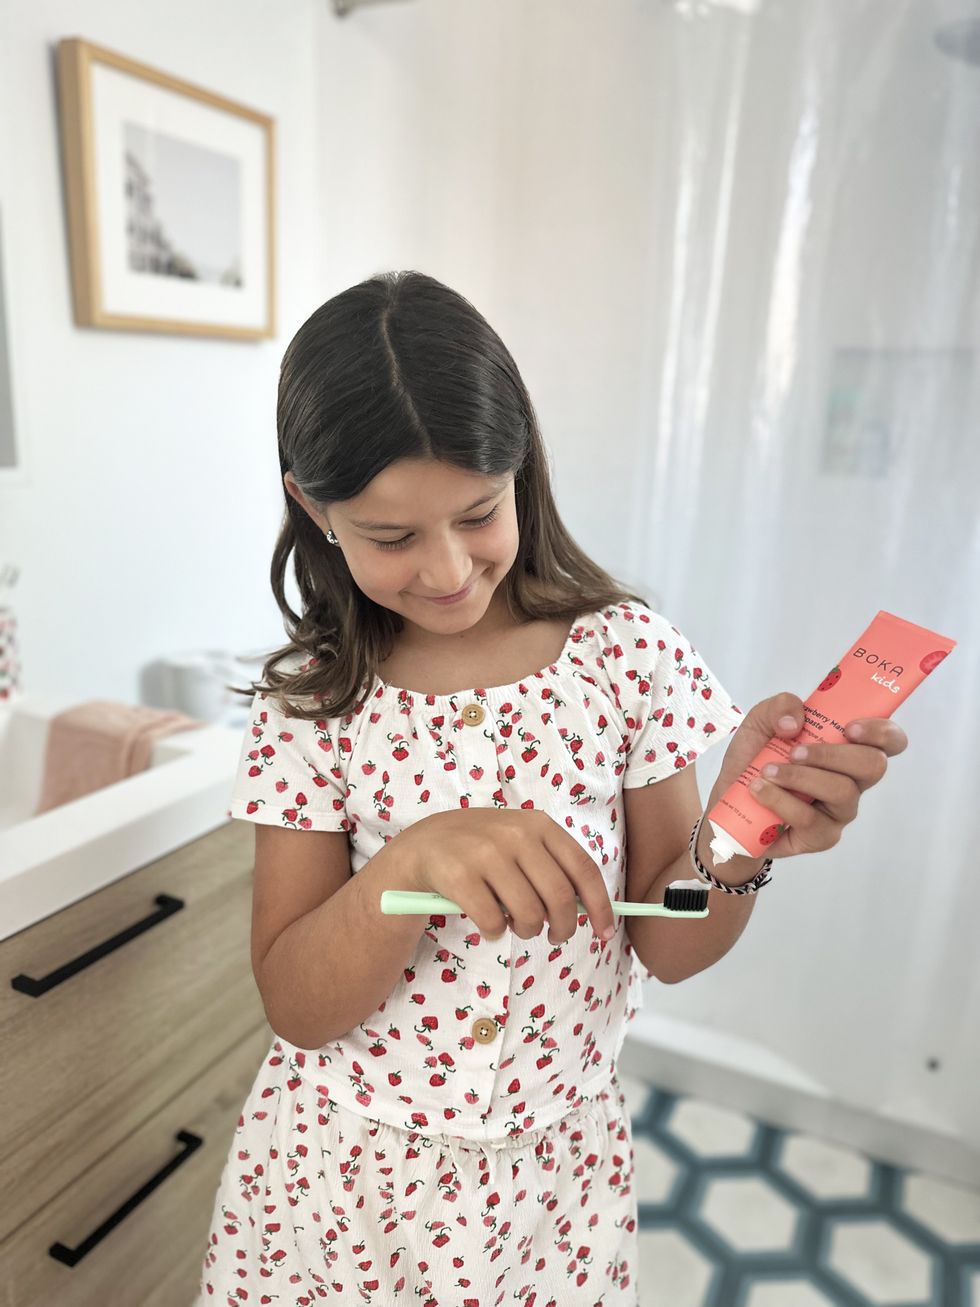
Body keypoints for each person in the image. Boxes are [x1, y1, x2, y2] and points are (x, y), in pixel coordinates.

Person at [196, 270, 906, 1306]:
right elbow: (297, 1004)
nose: (444, 569)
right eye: (391, 537)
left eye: (477, 513)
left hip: (546, 1196)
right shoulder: (313, 701)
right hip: (335, 1187)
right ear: (311, 504)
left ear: (517, 467)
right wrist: (411, 859)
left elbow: (666, 941)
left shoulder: (625, 658)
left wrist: (742, 829)